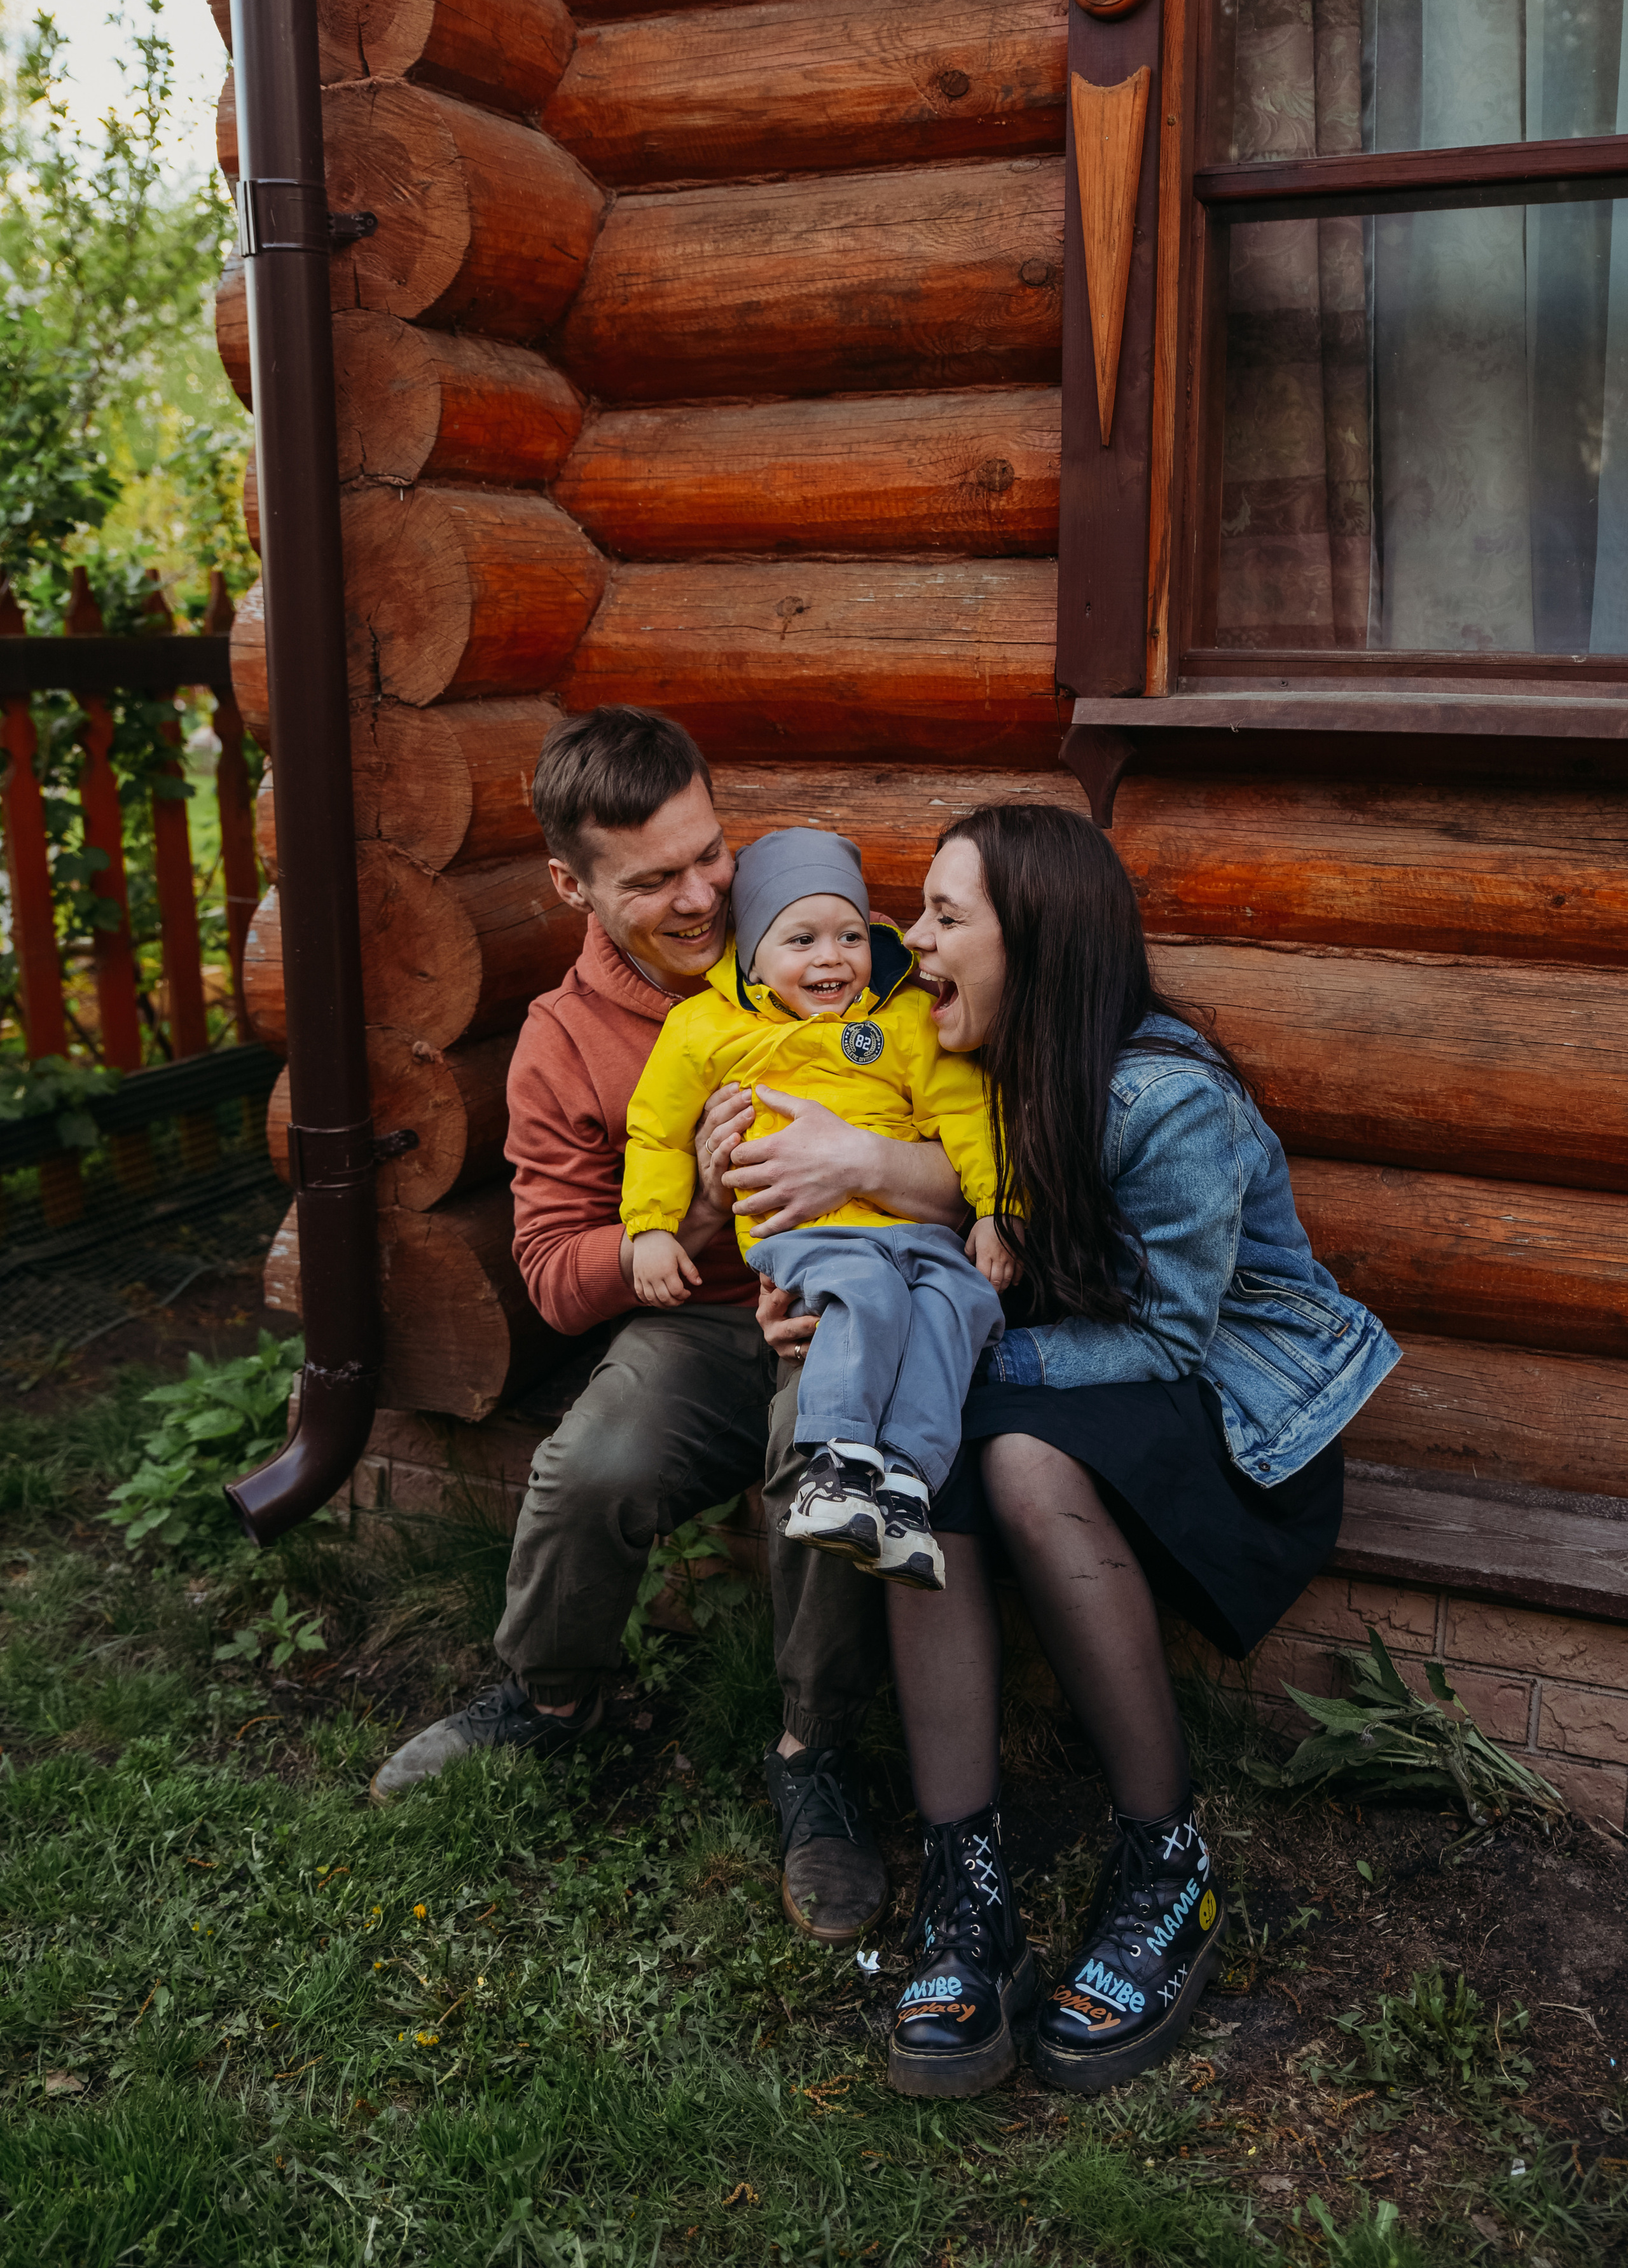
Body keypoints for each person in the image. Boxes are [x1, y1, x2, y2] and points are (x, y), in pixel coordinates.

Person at [369, 708, 965, 1949]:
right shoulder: (563, 1043)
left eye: (710, 854)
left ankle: (812, 1751)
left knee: (823, 1448)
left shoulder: (839, 957)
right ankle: (555, 1696)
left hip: (844, 1300)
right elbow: (552, 1278)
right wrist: (693, 1217)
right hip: (690, 1328)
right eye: (653, 880)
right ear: (568, 886)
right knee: (594, 1462)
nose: (702, 897)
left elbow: (960, 1125)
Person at [875, 803, 1402, 2100]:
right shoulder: (966, 1067)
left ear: (1037, 942)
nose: (912, 937)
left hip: (1229, 1416)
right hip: (1073, 1376)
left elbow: (1164, 1341)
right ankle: (966, 1891)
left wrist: (973, 1364)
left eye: (947, 915)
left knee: (1009, 1458)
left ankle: (1167, 1867)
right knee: (919, 1453)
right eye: (918, 908)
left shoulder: (1161, 1100)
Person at [621, 827, 1009, 1594]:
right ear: (751, 954)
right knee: (867, 1296)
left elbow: (967, 1115)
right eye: (801, 939)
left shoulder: (902, 1021)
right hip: (809, 1234)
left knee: (959, 1308)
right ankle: (836, 1467)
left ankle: (902, 1486)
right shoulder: (707, 1029)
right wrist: (652, 1228)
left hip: (915, 1235)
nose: (831, 958)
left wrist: (998, 1208)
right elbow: (656, 1132)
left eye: (849, 937)